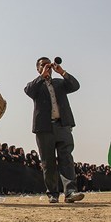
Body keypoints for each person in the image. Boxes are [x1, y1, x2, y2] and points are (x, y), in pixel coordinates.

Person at [24, 56, 84, 204]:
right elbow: (28, 91)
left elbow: (75, 86)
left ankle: (70, 191)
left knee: (66, 158)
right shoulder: (36, 85)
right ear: (38, 69)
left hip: (62, 125)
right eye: (43, 65)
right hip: (44, 128)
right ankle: (53, 193)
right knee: (48, 162)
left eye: (48, 65)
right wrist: (41, 76)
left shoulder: (59, 83)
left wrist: (61, 71)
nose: (47, 67)